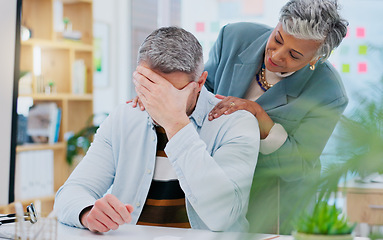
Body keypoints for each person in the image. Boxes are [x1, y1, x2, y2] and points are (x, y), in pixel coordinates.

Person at [132, 0, 348, 234]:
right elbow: (199, 93)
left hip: (272, 202)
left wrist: (260, 117)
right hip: (215, 187)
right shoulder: (234, 37)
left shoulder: (329, 93)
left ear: (316, 58)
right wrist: (160, 95)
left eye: (294, 55)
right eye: (277, 39)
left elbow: (300, 167)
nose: (276, 55)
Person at [54, 26, 260, 233]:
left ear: (200, 82)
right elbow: (71, 192)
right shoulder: (125, 117)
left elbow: (222, 217)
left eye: (172, 93)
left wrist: (176, 124)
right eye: (149, 87)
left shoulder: (236, 123)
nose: (157, 101)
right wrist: (88, 212)